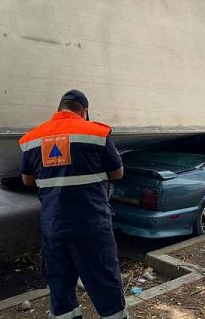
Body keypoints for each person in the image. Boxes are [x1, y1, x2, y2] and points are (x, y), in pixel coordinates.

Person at [20, 90, 127, 319]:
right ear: (84, 111)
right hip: (91, 225)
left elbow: (27, 180)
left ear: (60, 108)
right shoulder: (97, 133)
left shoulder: (32, 138)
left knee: (60, 283)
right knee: (104, 279)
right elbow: (117, 173)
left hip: (53, 227)